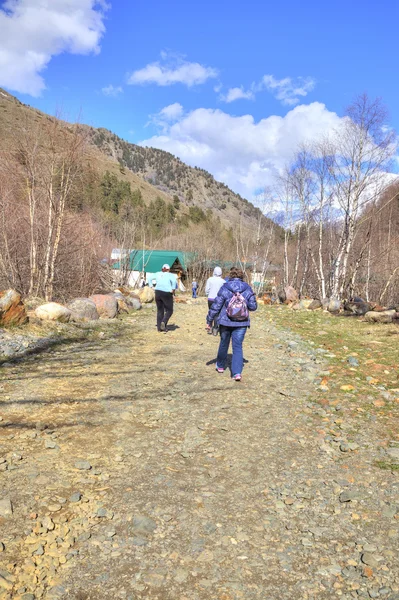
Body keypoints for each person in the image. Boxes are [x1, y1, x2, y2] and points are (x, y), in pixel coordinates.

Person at [206, 267, 257, 381]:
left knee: (224, 343)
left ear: (230, 276)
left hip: (225, 321)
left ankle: (220, 366)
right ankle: (237, 373)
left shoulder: (225, 288)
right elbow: (253, 307)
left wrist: (209, 320)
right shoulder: (247, 289)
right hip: (242, 322)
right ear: (242, 276)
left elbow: (216, 306)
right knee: (237, 346)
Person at [154, 264, 178, 332]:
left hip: (157, 292)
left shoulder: (158, 274)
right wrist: (173, 289)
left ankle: (159, 328)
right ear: (168, 269)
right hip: (166, 292)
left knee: (160, 310)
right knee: (169, 310)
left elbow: (149, 278)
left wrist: (151, 286)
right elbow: (174, 282)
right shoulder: (170, 275)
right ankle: (164, 322)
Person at [205, 266, 225, 334]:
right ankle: (215, 329)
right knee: (217, 314)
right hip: (219, 299)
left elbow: (207, 290)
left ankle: (209, 327)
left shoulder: (210, 279)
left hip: (210, 298)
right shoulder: (223, 281)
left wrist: (208, 293)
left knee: (211, 313)